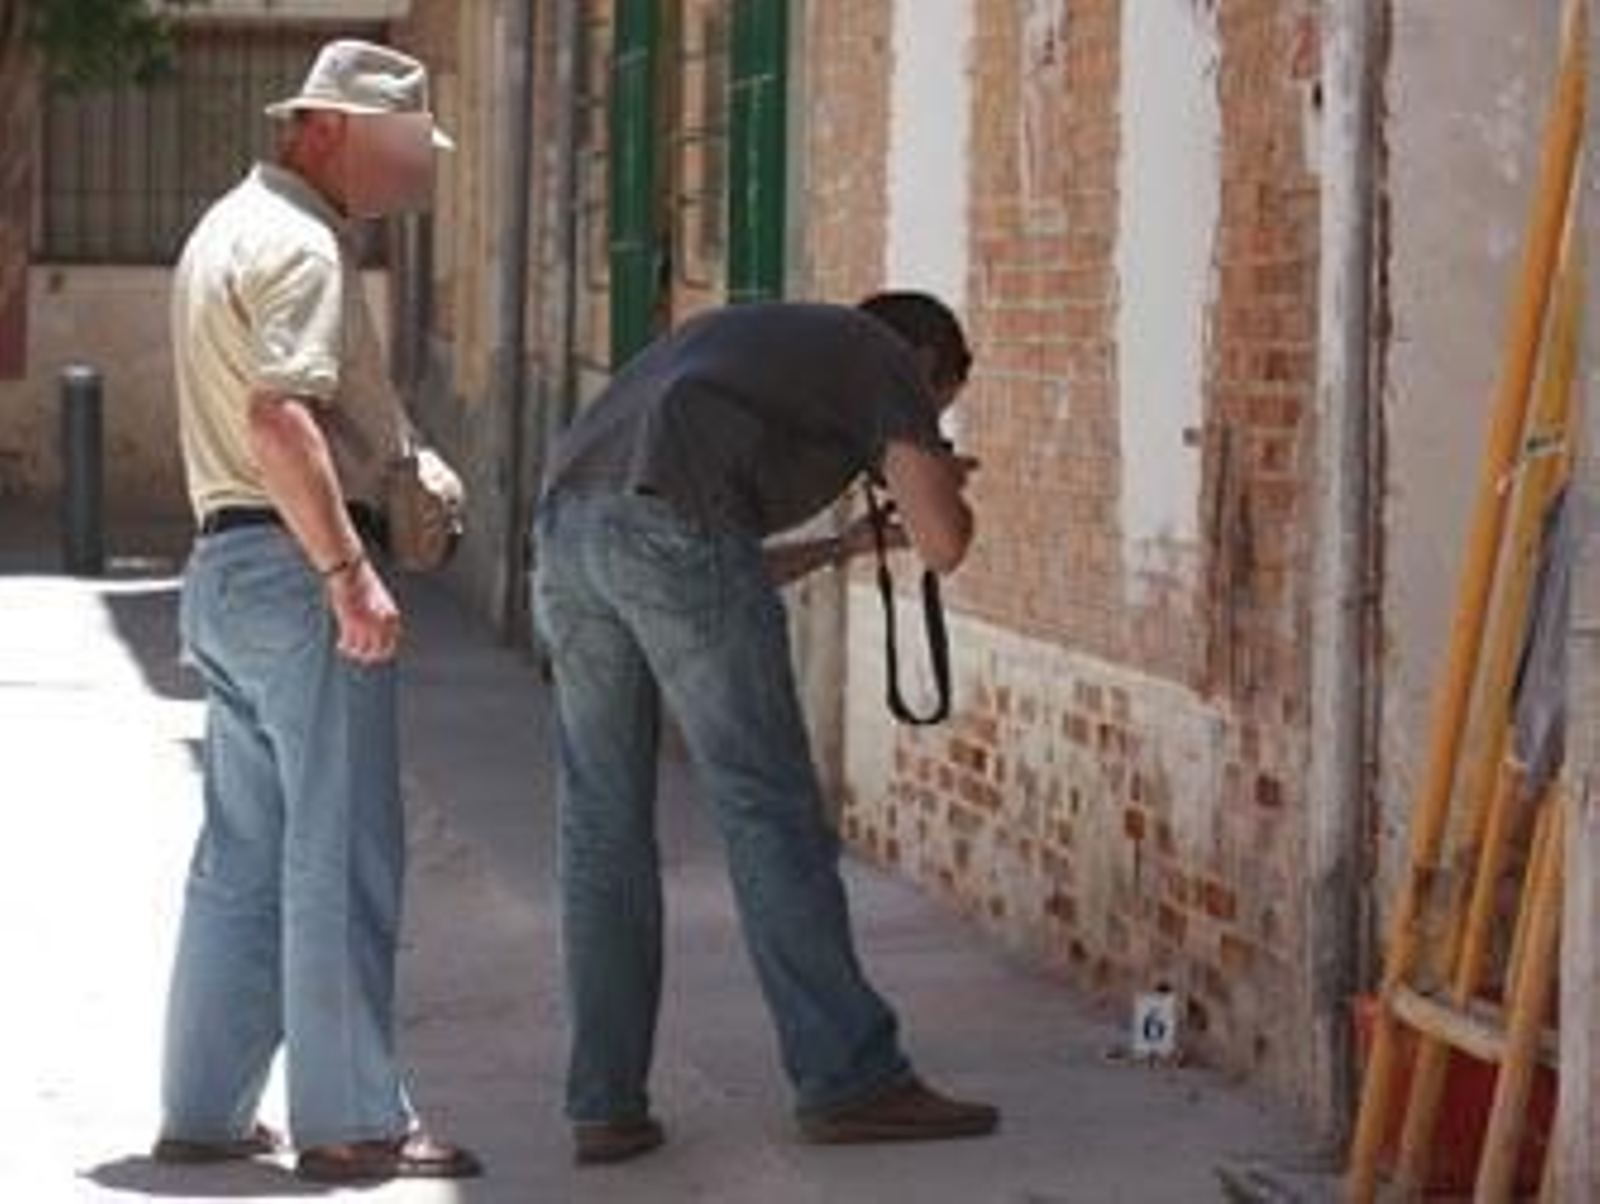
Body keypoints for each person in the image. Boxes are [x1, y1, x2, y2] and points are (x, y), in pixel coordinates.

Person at [532, 292, 999, 1165]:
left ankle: (605, 1102)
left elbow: (701, 567)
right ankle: (850, 1078)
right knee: (768, 810)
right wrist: (935, 471)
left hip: (566, 532)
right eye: (934, 408)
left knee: (601, 826)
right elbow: (944, 543)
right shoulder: (884, 359)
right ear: (927, 362)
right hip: (662, 528)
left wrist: (844, 547)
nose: (922, 424)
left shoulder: (765, 346)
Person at [152, 40, 480, 1184]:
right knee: (339, 854)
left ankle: (203, 1111)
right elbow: (278, 416)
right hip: (296, 569)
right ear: (326, 127)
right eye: (400, 149)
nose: (412, 175)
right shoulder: (302, 244)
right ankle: (351, 1122)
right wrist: (347, 571)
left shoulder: (226, 226)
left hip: (227, 566)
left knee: (242, 855)